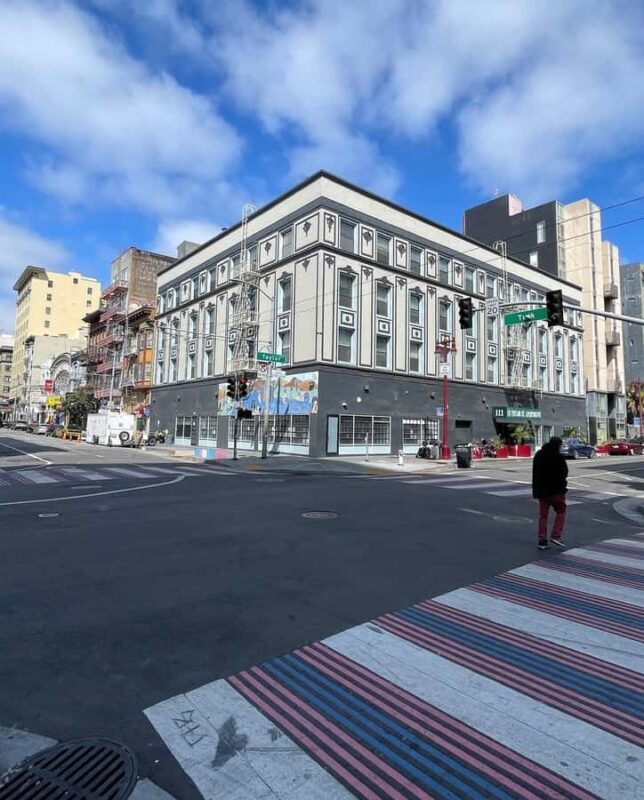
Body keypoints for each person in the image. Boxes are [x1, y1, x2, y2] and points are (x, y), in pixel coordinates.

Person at [532, 436, 568, 550]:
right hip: (556, 491)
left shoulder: (539, 455)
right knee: (561, 511)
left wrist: (536, 490)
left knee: (543, 515)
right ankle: (556, 536)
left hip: (542, 491)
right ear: (558, 445)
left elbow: (535, 473)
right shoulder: (558, 457)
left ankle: (542, 540)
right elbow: (564, 473)